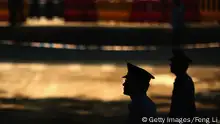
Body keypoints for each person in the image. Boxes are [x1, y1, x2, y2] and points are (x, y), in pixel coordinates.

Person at [169, 49, 196, 118]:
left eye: (172, 63)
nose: (170, 65)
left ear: (178, 65)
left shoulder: (182, 81)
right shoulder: (183, 79)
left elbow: (179, 105)